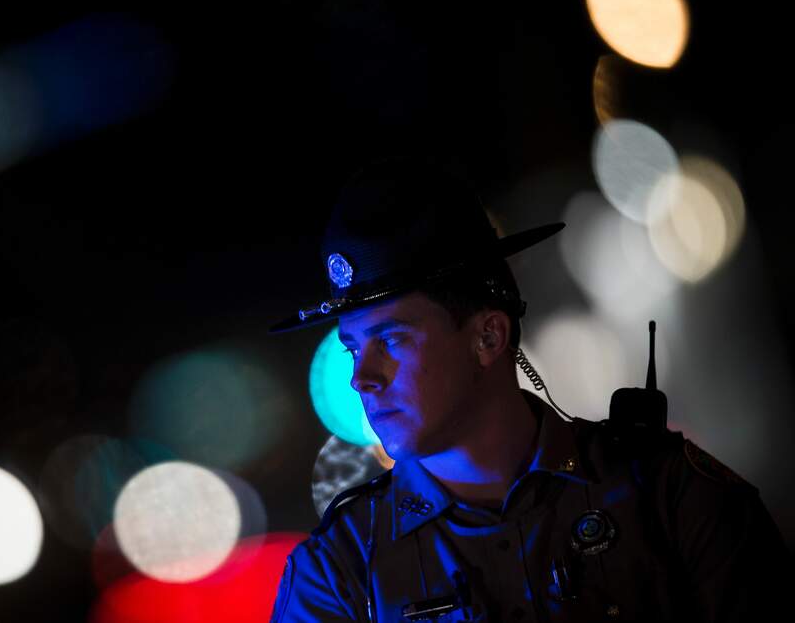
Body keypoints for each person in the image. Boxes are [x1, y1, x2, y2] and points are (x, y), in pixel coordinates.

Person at [266, 157, 790, 622]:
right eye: (354, 348)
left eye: (391, 340)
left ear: (488, 337)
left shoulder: (667, 494)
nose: (362, 377)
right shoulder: (339, 572)